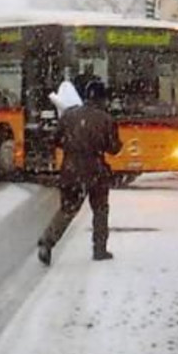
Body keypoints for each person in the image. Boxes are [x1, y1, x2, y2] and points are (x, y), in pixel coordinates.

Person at [38, 75, 122, 266]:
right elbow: (114, 148)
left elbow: (55, 139)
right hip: (96, 171)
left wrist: (72, 147)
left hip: (70, 170)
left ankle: (47, 242)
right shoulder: (106, 119)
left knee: (67, 210)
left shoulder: (69, 115)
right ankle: (99, 249)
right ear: (102, 98)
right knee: (100, 210)